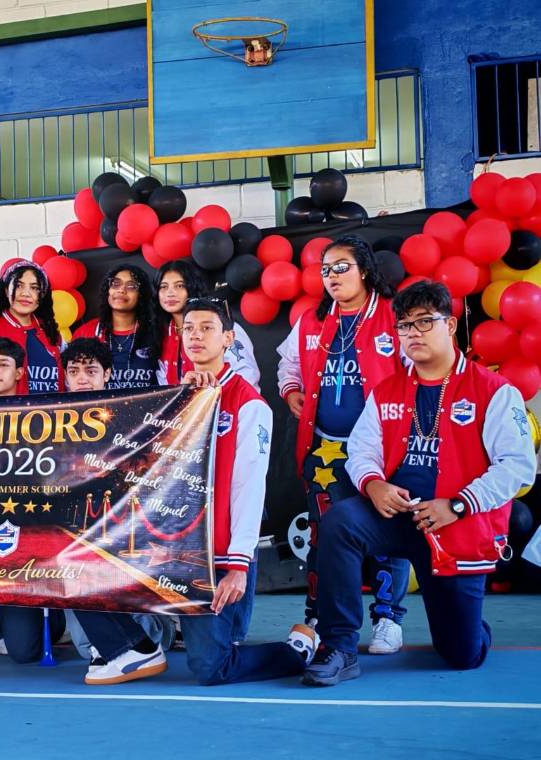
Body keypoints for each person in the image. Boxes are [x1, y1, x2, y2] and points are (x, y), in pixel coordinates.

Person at [305, 281, 536, 685]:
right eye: (405, 326)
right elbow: (361, 451)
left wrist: (458, 504)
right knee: (341, 520)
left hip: (453, 526)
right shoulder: (387, 389)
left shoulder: (494, 391)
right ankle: (339, 646)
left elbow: (516, 466)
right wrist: (373, 484)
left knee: (461, 655)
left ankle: (468, 622)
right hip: (397, 517)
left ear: (450, 326)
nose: (413, 333)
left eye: (425, 322)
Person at [80, 299, 317, 685]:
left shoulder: (249, 404)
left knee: (210, 666)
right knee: (80, 566)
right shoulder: (171, 398)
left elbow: (248, 489)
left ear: (228, 339)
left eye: (207, 328)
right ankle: (134, 649)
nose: (195, 335)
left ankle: (296, 650)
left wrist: (238, 566)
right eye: (188, 328)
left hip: (217, 556)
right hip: (164, 547)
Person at [276, 235, 410, 653]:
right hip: (325, 448)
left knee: (389, 532)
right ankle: (321, 615)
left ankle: (387, 618)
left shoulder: (394, 316)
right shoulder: (313, 319)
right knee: (323, 535)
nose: (331, 276)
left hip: (384, 451)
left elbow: (419, 369)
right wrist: (291, 388)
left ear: (365, 270)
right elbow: (288, 361)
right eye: (325, 269)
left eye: (341, 267)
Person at [58, 337, 177, 671]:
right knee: (87, 649)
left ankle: (149, 636)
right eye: (74, 370)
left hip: (122, 531)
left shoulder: (131, 414)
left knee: (143, 636)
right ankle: (127, 641)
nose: (82, 378)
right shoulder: (52, 419)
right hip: (74, 531)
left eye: (91, 370)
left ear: (107, 374)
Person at [0, 336, 67, 661]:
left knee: (33, 644)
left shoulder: (39, 419)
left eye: (2, 364)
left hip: (34, 535)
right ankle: (4, 618)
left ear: (19, 373)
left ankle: (53, 614)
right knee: (21, 652)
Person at [153, 259, 260, 389]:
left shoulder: (223, 326)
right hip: (182, 407)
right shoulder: (161, 334)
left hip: (226, 406)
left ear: (192, 287)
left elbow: (247, 376)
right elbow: (164, 386)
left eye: (179, 286)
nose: (170, 293)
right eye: (163, 287)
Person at [0, 260, 63, 396]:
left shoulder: (52, 332)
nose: (26, 294)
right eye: (18, 286)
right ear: (6, 290)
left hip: (53, 415)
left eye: (34, 288)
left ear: (42, 295)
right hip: (7, 416)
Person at [72, 264, 159, 390]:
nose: (121, 290)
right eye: (115, 284)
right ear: (108, 290)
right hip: (100, 409)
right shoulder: (86, 332)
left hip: (148, 409)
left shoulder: (155, 333)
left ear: (141, 294)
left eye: (131, 286)